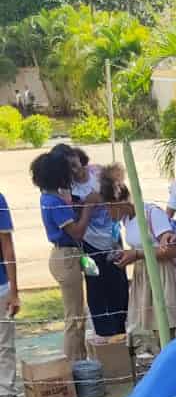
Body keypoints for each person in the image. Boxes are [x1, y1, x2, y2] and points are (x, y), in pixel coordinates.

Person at [98, 169, 176, 353]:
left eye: (107, 208)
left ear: (117, 202)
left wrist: (137, 255)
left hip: (161, 274)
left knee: (166, 327)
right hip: (144, 275)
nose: (106, 214)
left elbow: (171, 249)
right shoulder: (126, 220)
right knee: (152, 329)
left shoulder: (151, 214)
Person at [31, 147, 102, 364]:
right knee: (75, 316)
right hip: (67, 257)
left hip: (67, 255)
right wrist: (89, 208)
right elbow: (77, 231)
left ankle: (78, 360)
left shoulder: (50, 197)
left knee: (77, 313)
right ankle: (75, 363)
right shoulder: (54, 203)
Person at [66, 148, 128, 340]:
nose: (75, 170)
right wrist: (87, 204)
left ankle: (121, 331)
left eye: (76, 164)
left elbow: (121, 193)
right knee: (95, 286)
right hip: (88, 245)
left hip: (113, 238)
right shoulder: (67, 188)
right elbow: (72, 215)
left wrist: (100, 198)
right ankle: (103, 334)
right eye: (69, 168)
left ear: (81, 160)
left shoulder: (98, 173)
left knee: (119, 286)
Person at [0, 191, 21, 397]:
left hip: (0, 285)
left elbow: (7, 246)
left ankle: (7, 395)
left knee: (4, 344)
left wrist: (14, 291)